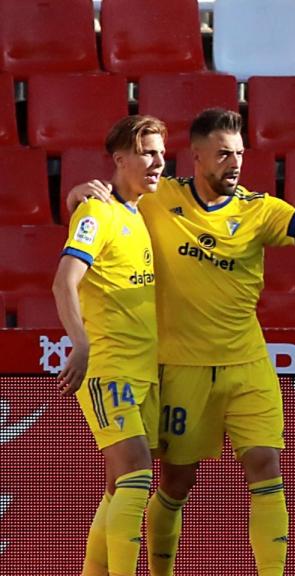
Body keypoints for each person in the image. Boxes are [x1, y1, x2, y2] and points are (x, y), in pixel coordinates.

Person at [67, 108, 295, 576]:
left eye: (240, 154)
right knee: (172, 482)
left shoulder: (259, 210)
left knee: (265, 463)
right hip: (181, 367)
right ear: (195, 157)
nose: (234, 163)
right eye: (224, 154)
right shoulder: (159, 197)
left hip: (246, 361)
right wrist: (76, 193)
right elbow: (107, 205)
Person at [53, 115, 167, 576]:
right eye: (147, 152)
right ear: (120, 160)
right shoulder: (97, 211)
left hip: (145, 369)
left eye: (162, 152)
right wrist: (79, 344)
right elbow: (63, 283)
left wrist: (72, 193)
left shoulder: (138, 210)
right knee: (138, 477)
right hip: (108, 367)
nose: (159, 161)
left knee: (121, 485)